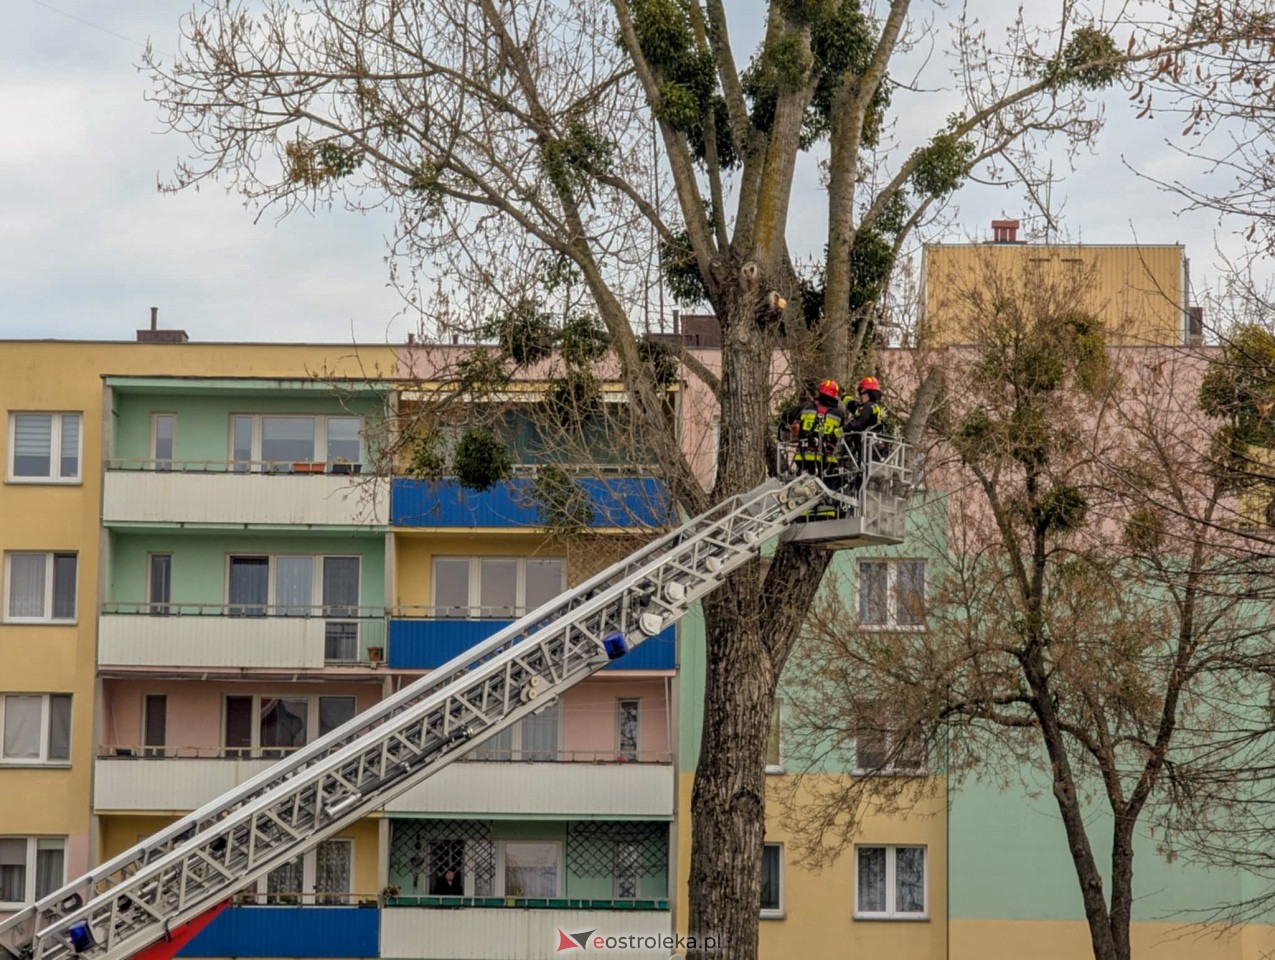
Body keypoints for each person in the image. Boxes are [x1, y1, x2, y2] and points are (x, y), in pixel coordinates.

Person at [779, 378, 849, 480]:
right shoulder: (839, 413)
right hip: (828, 461)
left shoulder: (807, 406)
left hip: (804, 456)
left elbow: (787, 415)